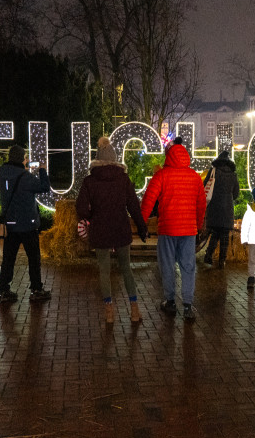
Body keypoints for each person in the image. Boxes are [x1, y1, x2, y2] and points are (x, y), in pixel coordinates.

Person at [75, 136, 148, 324]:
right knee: (126, 269)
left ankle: (109, 313)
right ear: (115, 159)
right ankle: (134, 311)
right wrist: (141, 228)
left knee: (104, 271)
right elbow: (133, 206)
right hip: (120, 229)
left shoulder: (90, 181)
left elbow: (81, 208)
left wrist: (92, 217)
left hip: (100, 230)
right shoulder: (123, 179)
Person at [139, 141, 206, 321]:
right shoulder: (195, 177)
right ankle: (188, 305)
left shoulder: (161, 175)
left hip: (167, 229)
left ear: (169, 156)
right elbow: (201, 205)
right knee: (188, 266)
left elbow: (148, 201)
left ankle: (170, 302)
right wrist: (198, 226)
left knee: (167, 265)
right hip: (188, 230)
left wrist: (142, 223)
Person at [0, 145, 52, 303]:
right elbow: (44, 187)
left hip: (11, 225)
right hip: (27, 225)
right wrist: (42, 170)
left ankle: (4, 289)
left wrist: (24, 168)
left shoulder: (2, 174)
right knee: (33, 258)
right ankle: (36, 288)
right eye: (25, 157)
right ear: (21, 158)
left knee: (8, 258)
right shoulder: (25, 177)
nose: (27, 160)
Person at [202, 150, 239, 268]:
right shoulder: (233, 175)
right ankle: (222, 261)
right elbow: (236, 194)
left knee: (215, 232)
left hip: (214, 208)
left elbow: (205, 185)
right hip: (227, 209)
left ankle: (208, 255)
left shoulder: (213, 171)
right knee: (224, 235)